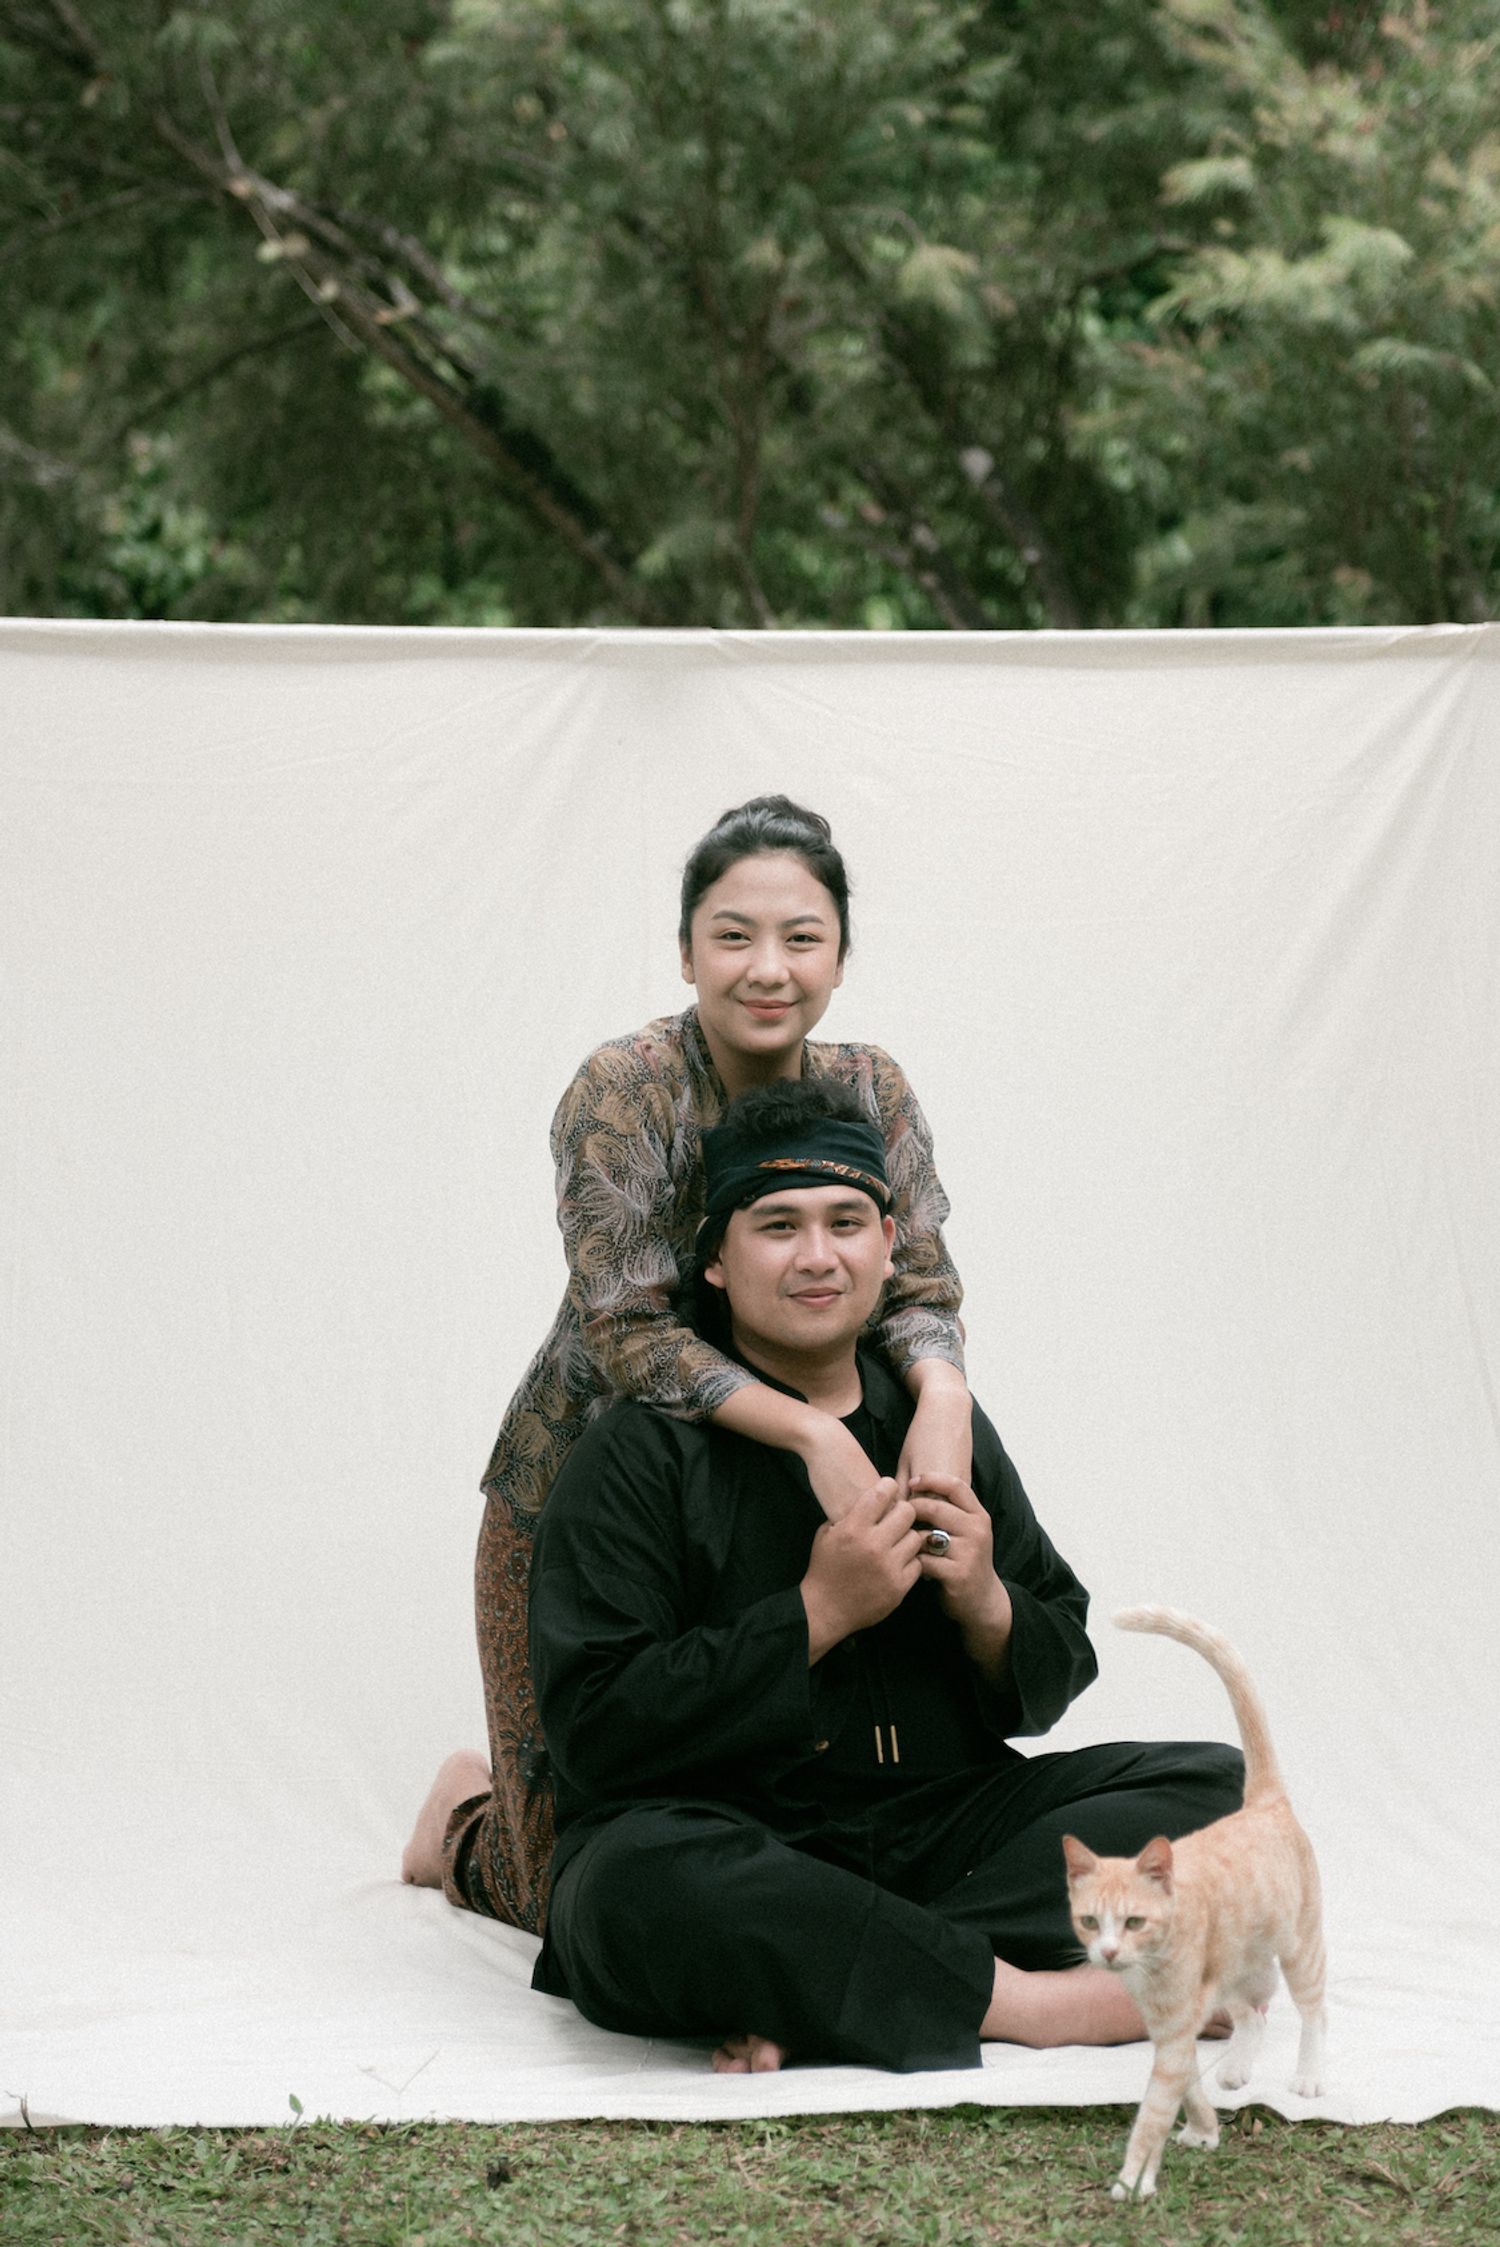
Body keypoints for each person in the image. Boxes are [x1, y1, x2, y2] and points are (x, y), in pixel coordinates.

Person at [523, 1079, 1245, 2072]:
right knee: (632, 1889)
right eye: (778, 1225)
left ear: (890, 1243)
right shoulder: (637, 1452)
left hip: (941, 1829)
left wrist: (987, 1602)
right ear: (717, 1260)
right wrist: (817, 1613)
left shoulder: (935, 1422)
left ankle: (825, 1973)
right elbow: (596, 1732)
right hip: (729, 1835)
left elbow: (1053, 1672)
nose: (818, 1256)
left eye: (846, 1222)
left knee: (1220, 1790)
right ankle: (1031, 2003)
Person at [403, 797, 974, 1932]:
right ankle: (467, 1823)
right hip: (590, 1495)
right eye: (733, 935)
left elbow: (919, 1284)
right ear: (684, 951)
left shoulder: (874, 1087)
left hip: (782, 1512)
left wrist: (944, 1396)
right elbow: (625, 1329)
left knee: (775, 1814)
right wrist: (812, 1430)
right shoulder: (625, 1088)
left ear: (841, 957)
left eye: (802, 937)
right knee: (575, 1885)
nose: (769, 968)